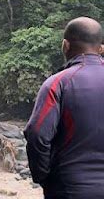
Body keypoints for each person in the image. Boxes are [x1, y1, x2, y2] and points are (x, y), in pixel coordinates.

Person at [24, 17, 104, 198]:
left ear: (65, 45)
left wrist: (43, 177)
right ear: (101, 49)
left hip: (69, 188)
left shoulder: (57, 83)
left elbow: (37, 133)